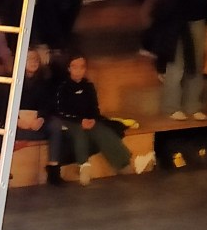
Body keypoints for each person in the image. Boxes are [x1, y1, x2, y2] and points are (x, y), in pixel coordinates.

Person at [54, 53, 150, 185]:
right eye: (74, 67)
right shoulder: (62, 87)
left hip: (88, 120)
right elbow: (60, 111)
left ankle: (123, 164)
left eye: (82, 67)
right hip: (70, 121)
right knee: (79, 133)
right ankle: (84, 166)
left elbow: (94, 108)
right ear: (69, 68)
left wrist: (93, 119)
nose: (78, 70)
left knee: (103, 132)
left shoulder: (88, 86)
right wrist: (80, 121)